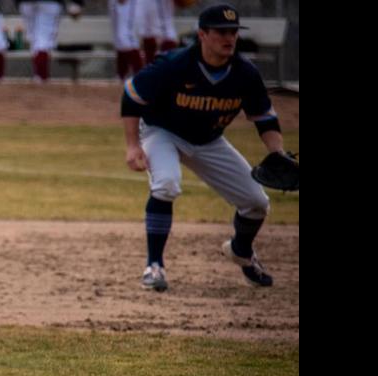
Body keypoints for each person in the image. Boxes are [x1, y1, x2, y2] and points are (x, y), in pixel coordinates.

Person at [120, 4, 284, 293]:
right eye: (221, 31)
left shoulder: (245, 73)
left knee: (257, 202)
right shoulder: (175, 64)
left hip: (209, 140)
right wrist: (133, 146)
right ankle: (154, 265)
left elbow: (264, 117)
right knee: (167, 183)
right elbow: (132, 95)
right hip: (163, 132)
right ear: (202, 34)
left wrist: (277, 153)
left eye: (233, 31)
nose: (229, 38)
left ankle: (241, 252)